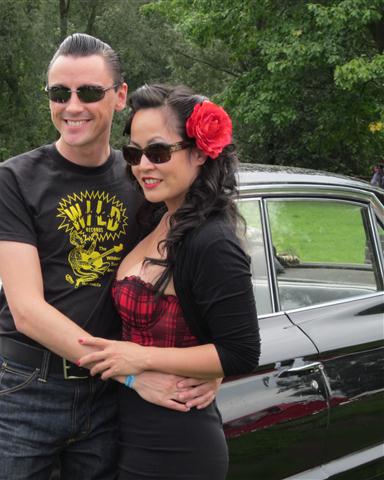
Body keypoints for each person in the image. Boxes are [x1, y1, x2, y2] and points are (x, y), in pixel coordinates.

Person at [0, 35, 220, 480]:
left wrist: (214, 365)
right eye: (59, 93)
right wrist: (130, 375)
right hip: (30, 387)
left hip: (112, 400)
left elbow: (192, 274)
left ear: (120, 96)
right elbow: (27, 311)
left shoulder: (144, 176)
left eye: (88, 92)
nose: (72, 106)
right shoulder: (15, 179)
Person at [78, 84, 261, 479]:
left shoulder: (212, 241)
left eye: (158, 152)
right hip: (125, 429)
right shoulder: (155, 217)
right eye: (133, 154)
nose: (143, 165)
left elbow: (241, 352)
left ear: (200, 152)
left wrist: (141, 358)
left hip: (176, 444)